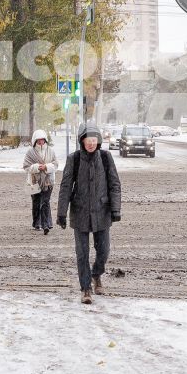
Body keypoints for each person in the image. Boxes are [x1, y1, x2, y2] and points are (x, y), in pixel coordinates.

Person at [57, 123, 120, 304]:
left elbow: (114, 184)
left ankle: (96, 274)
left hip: (102, 211)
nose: (91, 143)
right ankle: (86, 288)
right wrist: (62, 212)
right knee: (82, 254)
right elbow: (66, 187)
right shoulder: (74, 159)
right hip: (80, 212)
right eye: (88, 140)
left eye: (94, 140)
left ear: (98, 141)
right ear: (82, 141)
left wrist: (115, 209)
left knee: (104, 251)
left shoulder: (106, 158)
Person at [22, 131, 57, 234]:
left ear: (45, 140)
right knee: (37, 202)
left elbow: (55, 164)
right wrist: (37, 167)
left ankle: (47, 224)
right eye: (39, 140)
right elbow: (26, 166)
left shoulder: (51, 151)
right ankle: (37, 223)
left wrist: (46, 167)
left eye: (42, 139)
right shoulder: (30, 152)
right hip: (34, 181)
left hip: (48, 181)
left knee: (45, 202)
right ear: (35, 140)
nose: (41, 142)